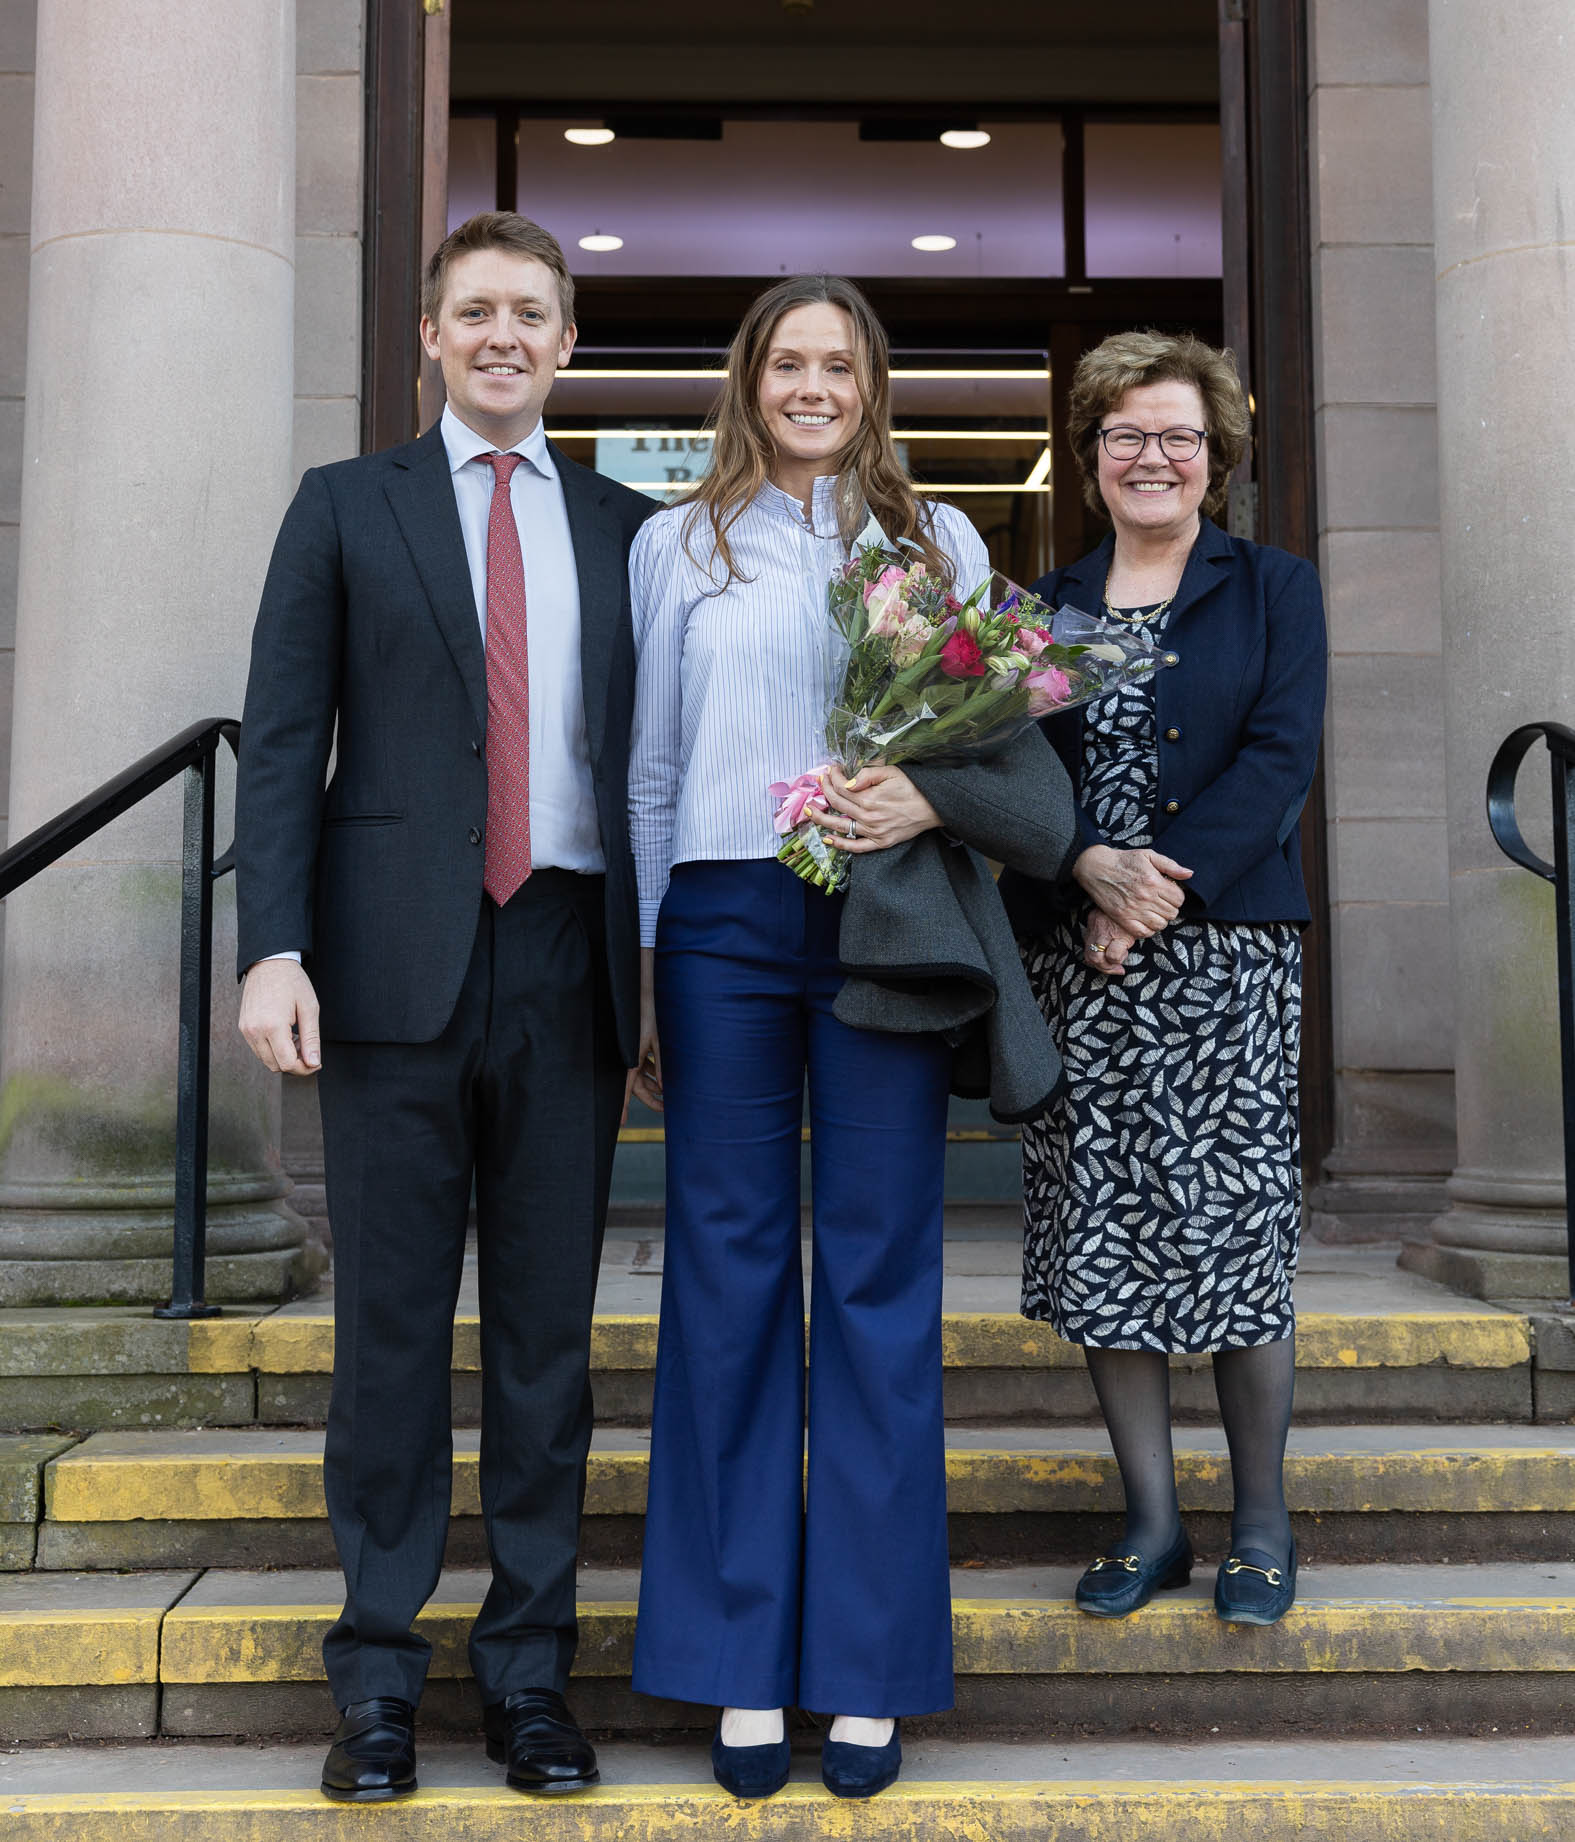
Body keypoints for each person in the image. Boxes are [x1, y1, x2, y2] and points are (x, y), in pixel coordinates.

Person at [625, 275, 1067, 1801]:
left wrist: (921, 796)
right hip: (724, 925)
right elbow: (652, 766)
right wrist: (644, 966)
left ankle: (867, 1667)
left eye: (840, 363)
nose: (813, 384)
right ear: (749, 381)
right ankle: (741, 1662)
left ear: (876, 385)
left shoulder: (934, 543)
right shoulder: (674, 541)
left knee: (878, 1279)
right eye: (788, 361)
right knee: (730, 1276)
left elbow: (979, 747)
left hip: (886, 922)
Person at [234, 211, 653, 1802]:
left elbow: (660, 769)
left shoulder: (633, 526)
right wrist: (274, 945)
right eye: (474, 310)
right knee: (391, 1337)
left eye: (530, 314)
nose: (501, 336)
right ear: (428, 334)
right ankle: (379, 1682)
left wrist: (664, 971)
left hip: (569, 953)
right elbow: (283, 744)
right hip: (388, 973)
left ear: (566, 344)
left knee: (550, 1344)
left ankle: (531, 1676)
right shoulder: (344, 507)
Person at [1003, 330, 1327, 1629]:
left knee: (1235, 1234)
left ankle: (1261, 1523)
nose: (1153, 455)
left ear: (1217, 459)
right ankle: (1152, 1520)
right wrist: (1084, 879)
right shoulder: (1041, 606)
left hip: (1229, 960)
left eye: (1179, 436)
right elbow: (1011, 785)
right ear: (1089, 458)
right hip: (1081, 966)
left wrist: (1153, 887)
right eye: (1127, 434)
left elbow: (1281, 758)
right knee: (1106, 1240)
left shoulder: (1273, 587)